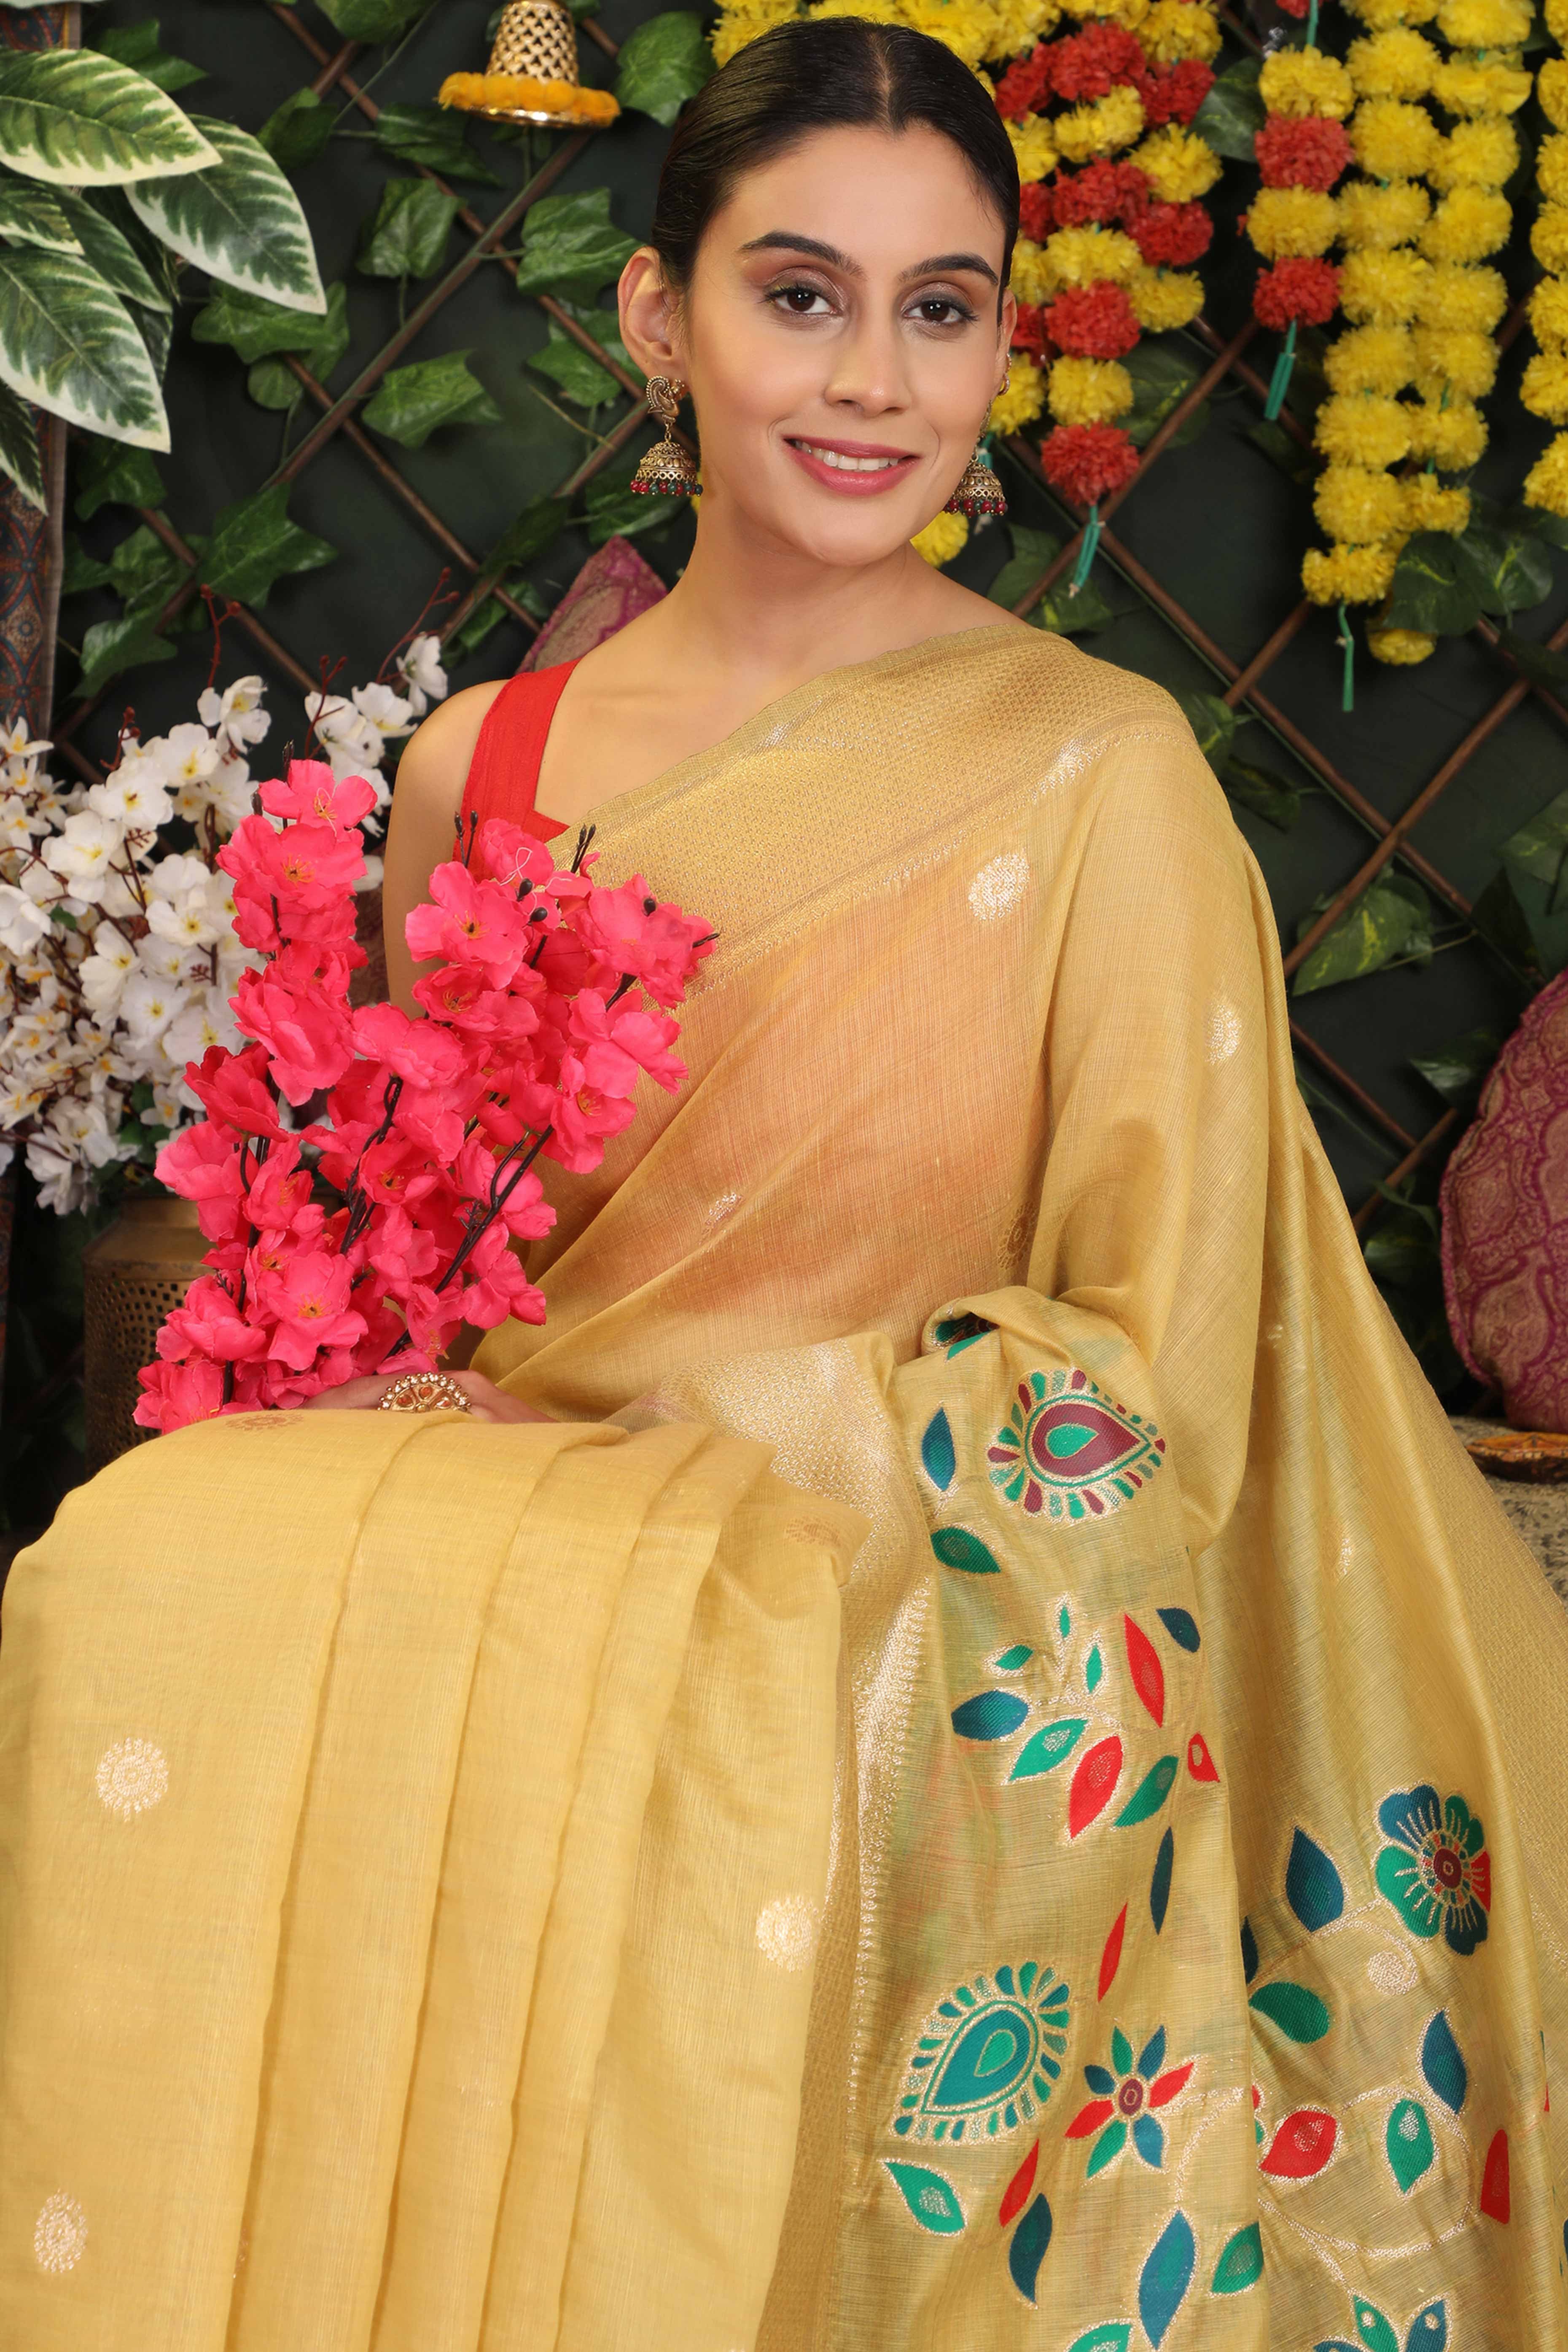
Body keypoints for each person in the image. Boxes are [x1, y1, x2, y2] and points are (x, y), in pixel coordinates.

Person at [0, 19, 1565, 2349]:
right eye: (799, 292)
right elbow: (423, 1253)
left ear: (1002, 347)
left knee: (730, 1682)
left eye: (941, 309)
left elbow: (1156, 1369)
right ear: (664, 324)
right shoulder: (483, 762)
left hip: (872, 1554)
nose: (871, 378)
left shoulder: (1089, 776)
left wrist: (742, 1449)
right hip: (518, 1513)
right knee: (132, 1561)